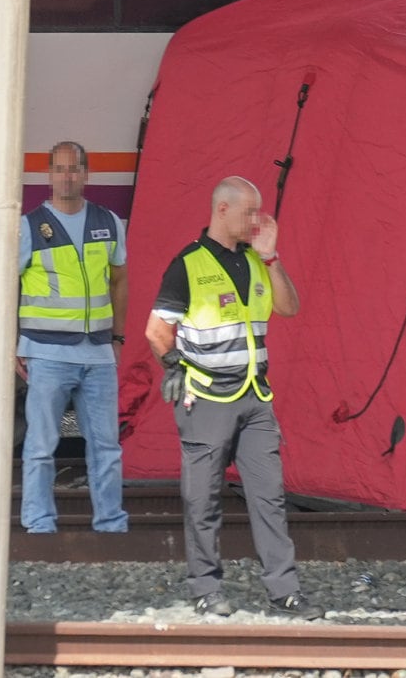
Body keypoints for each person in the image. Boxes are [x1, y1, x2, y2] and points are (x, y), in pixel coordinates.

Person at [146, 176, 323, 619]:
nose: (257, 220)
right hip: (205, 398)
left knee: (269, 496)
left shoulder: (257, 260)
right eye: (249, 212)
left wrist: (273, 257)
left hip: (255, 397)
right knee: (202, 499)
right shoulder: (187, 264)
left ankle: (284, 591)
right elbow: (156, 330)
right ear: (221, 210)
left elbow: (289, 307)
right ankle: (206, 588)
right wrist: (174, 367)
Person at [16, 141, 129, 534]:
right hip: (46, 353)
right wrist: (11, 344)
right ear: (48, 175)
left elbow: (119, 279)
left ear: (86, 174)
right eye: (60, 169)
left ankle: (112, 526)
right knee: (42, 448)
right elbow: (4, 285)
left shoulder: (109, 221)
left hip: (98, 353)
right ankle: (39, 524)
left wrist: (118, 338)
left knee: (107, 449)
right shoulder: (28, 227)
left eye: (74, 169)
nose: (67, 176)